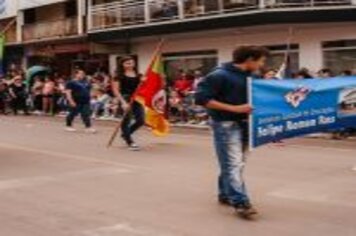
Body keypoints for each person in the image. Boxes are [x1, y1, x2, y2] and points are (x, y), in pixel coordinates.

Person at [195, 45, 270, 219]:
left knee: (234, 164)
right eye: (261, 60)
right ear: (250, 59)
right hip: (226, 124)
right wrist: (235, 109)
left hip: (245, 124)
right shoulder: (219, 75)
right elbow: (201, 98)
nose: (262, 64)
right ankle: (241, 202)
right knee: (233, 164)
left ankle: (225, 194)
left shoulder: (252, 76)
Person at [112, 56, 144, 151]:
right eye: (128, 63)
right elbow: (116, 90)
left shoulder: (139, 75)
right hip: (125, 98)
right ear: (122, 64)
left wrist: (143, 82)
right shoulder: (118, 76)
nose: (130, 65)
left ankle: (125, 134)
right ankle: (130, 141)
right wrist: (123, 102)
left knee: (141, 120)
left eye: (132, 62)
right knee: (126, 121)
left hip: (137, 99)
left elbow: (142, 88)